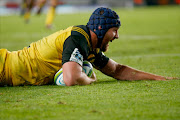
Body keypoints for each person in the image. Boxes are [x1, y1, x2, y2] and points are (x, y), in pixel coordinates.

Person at [0, 7, 177, 86]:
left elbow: (118, 70)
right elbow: (71, 79)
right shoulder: (77, 38)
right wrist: (90, 78)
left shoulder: (89, 47)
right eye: (114, 30)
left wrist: (160, 79)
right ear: (100, 29)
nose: (117, 36)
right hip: (4, 67)